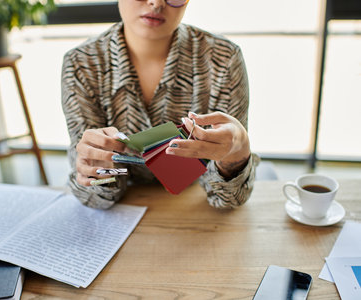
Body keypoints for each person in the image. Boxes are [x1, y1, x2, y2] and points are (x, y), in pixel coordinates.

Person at [61, 0, 260, 209]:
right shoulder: (81, 64)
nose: (156, 3)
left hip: (190, 208)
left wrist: (236, 157)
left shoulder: (223, 59)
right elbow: (94, 194)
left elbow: (229, 199)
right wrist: (97, 172)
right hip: (125, 210)